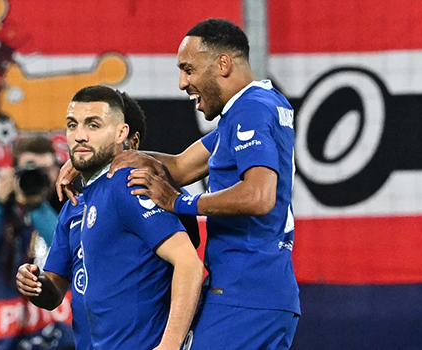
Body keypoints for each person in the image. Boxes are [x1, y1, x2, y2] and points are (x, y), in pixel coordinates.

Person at [57, 19, 300, 350]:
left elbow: (259, 196)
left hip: (244, 291)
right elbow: (182, 166)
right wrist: (95, 157)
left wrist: (179, 203)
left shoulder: (250, 110)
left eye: (189, 69)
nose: (183, 82)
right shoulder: (263, 105)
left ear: (223, 64)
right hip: (268, 290)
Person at [19, 85, 204, 350]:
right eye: (72, 126)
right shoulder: (73, 205)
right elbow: (54, 292)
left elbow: (189, 263)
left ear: (122, 133)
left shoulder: (129, 185)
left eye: (93, 126)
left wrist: (169, 345)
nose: (80, 135)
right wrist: (34, 283)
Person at [0, 135, 75, 350]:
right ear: (15, 174)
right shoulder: (0, 218)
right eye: (30, 169)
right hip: (9, 342)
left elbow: (72, 254)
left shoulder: (71, 209)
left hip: (66, 341)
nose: (39, 176)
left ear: (57, 170)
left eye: (46, 168)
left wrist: (37, 207)